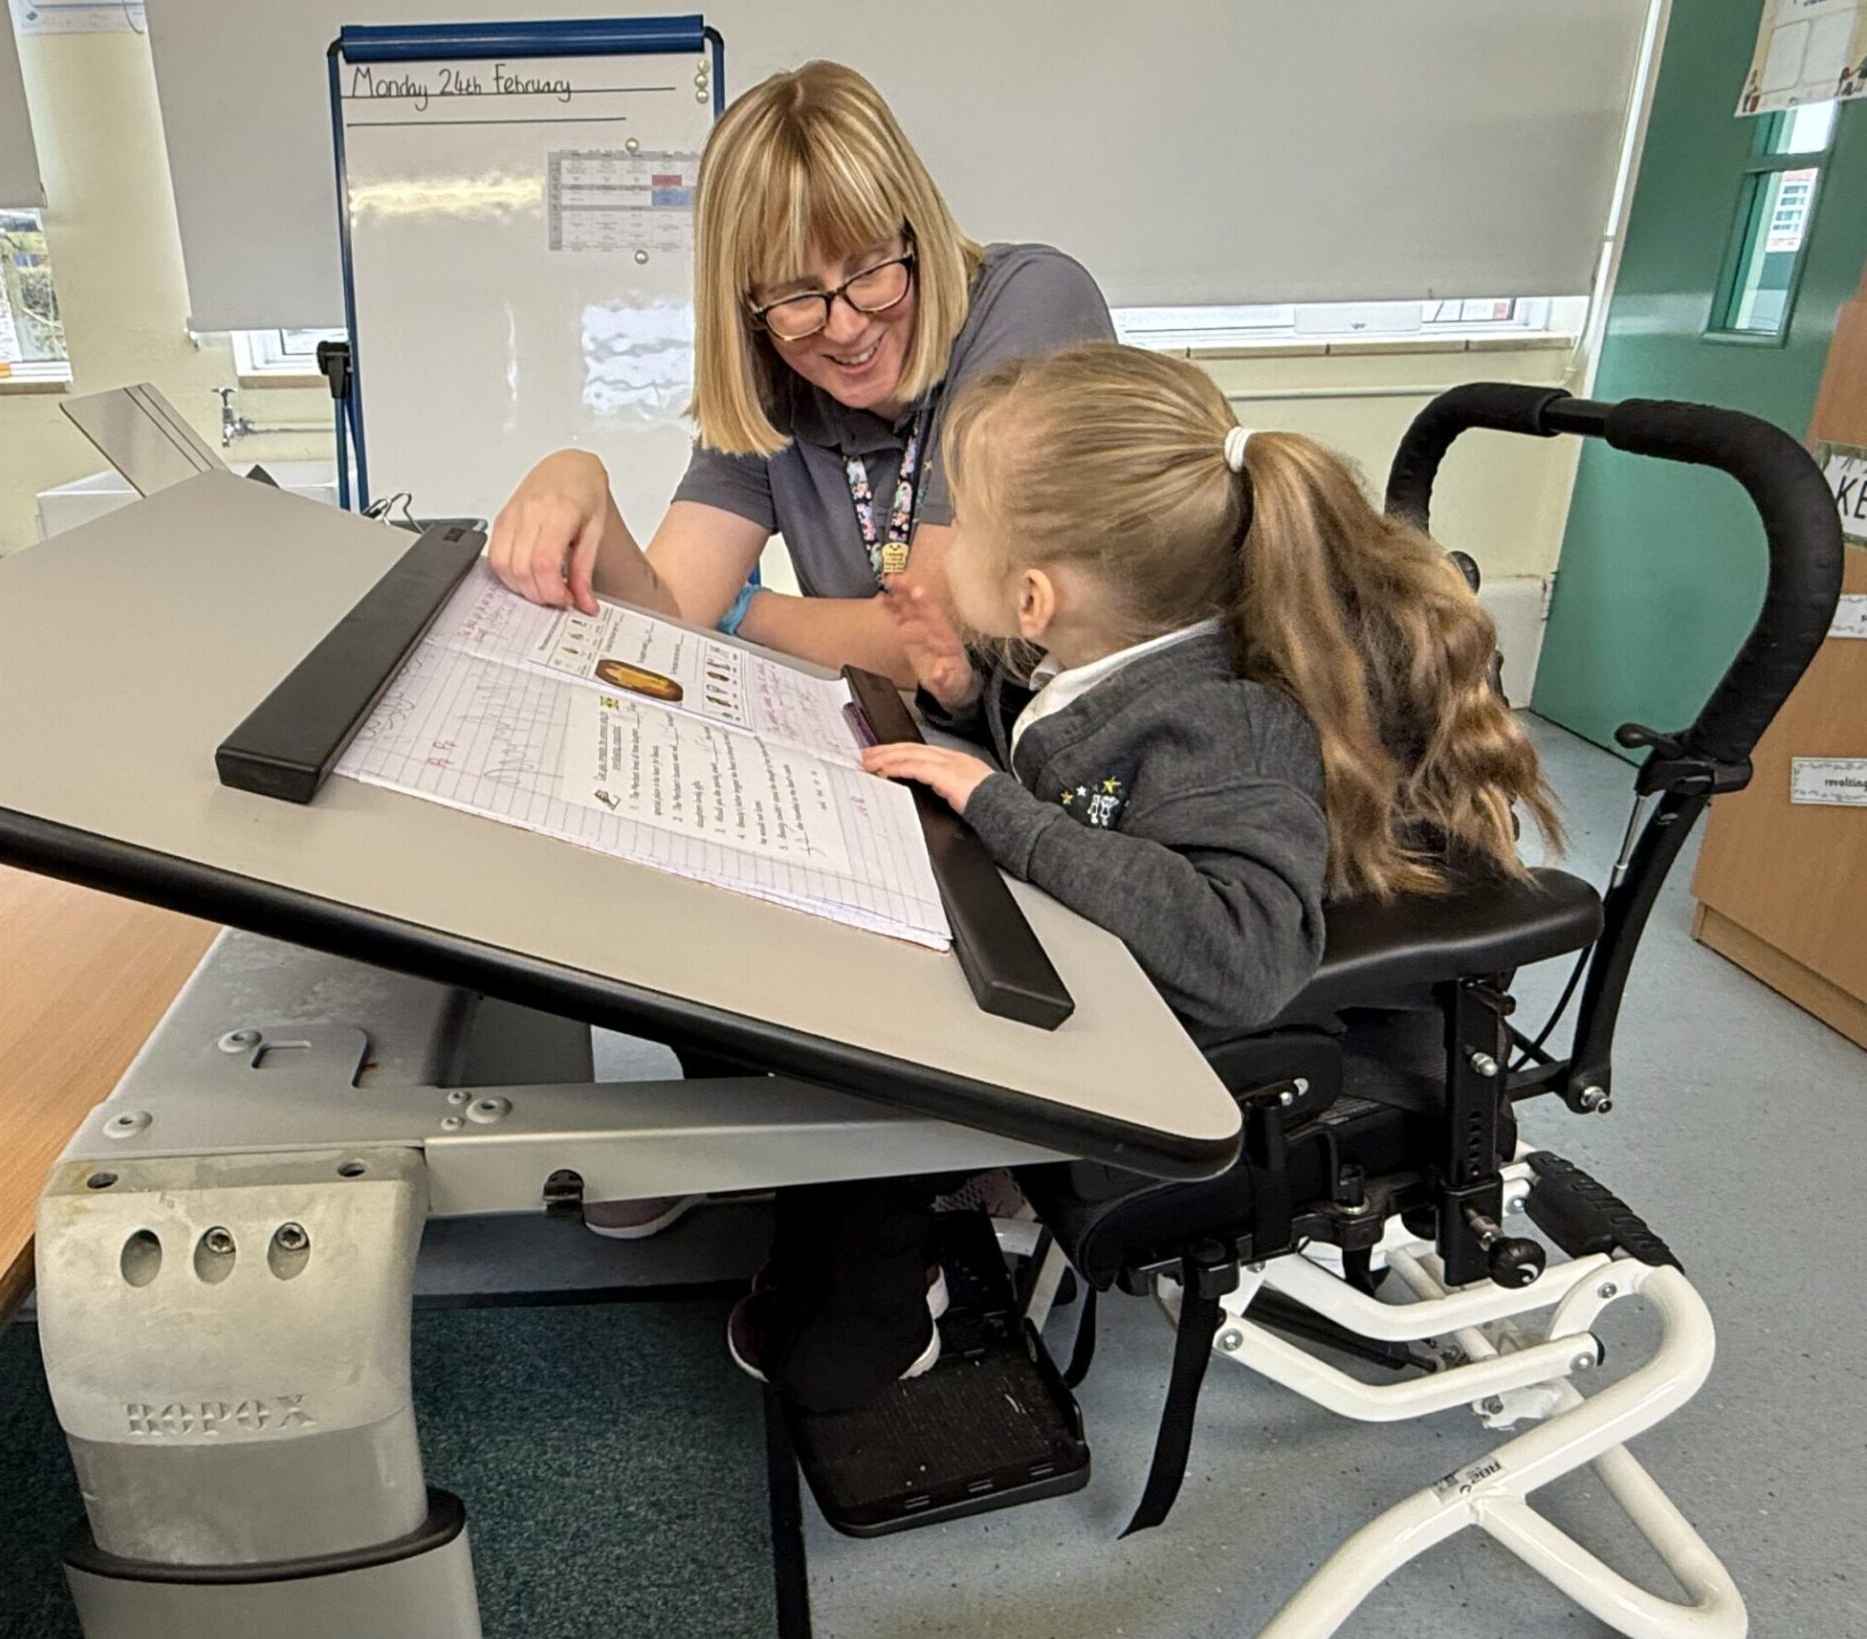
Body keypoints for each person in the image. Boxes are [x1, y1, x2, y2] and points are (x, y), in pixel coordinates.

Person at [739, 341, 1561, 1409]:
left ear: (1032, 594)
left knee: (891, 1049)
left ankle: (867, 1328)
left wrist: (997, 811)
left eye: (958, 528)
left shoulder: (1225, 727)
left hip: (1212, 1036)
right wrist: (953, 691)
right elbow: (1084, 767)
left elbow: (1241, 958)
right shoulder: (1112, 654)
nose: (930, 553)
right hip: (1122, 977)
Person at [486, 58, 1114, 1241]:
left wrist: (745, 620)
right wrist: (578, 481)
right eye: (795, 297)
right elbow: (663, 614)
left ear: (915, 232)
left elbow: (936, 623)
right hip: (929, 749)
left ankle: (914, 1169)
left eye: (871, 270)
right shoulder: (774, 392)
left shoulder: (1028, 306)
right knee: (671, 782)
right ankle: (723, 1124)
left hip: (1067, 765)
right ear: (747, 309)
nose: (846, 325)